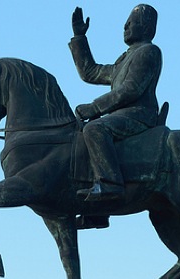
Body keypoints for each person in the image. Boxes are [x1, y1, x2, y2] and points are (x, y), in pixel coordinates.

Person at [69, 4, 162, 208]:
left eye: (133, 22)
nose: (126, 26)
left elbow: (131, 89)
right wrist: (79, 38)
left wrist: (94, 108)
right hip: (122, 115)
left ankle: (110, 184)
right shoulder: (125, 59)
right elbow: (91, 72)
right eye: (126, 22)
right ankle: (96, 210)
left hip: (138, 115)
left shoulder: (149, 51)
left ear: (147, 28)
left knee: (94, 128)